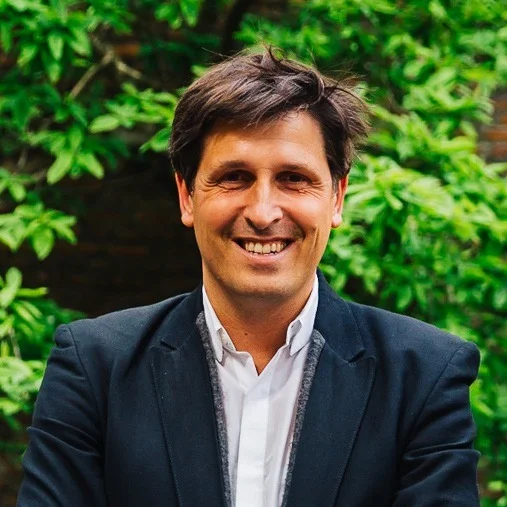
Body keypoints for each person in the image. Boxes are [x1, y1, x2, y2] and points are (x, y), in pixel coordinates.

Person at [18, 49, 480, 507]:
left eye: (293, 178)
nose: (262, 213)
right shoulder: (95, 370)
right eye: (235, 177)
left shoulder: (423, 376)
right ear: (187, 196)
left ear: (336, 197)